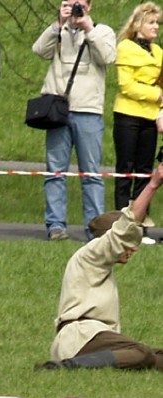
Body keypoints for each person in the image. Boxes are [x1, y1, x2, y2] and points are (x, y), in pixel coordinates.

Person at [36, 163, 163, 371]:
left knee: (155, 357)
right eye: (131, 242)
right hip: (80, 338)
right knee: (142, 354)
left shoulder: (98, 262)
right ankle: (63, 367)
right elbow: (124, 229)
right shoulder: (90, 254)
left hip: (96, 339)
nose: (134, 248)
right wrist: (153, 185)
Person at [33, 0, 116, 241]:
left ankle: (96, 228)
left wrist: (88, 28)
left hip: (88, 110)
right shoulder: (58, 32)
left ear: (89, 6)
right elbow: (39, 50)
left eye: (78, 4)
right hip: (58, 110)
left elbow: (108, 56)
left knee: (91, 173)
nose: (73, 9)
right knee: (55, 171)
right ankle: (56, 225)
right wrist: (57, 25)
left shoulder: (102, 30)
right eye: (68, 4)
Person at [113, 2, 163, 236]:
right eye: (151, 23)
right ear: (138, 25)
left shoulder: (160, 53)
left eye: (157, 23)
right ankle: (121, 225)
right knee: (126, 170)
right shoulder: (125, 48)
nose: (156, 27)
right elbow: (126, 86)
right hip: (128, 115)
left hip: (150, 118)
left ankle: (140, 226)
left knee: (145, 171)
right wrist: (156, 94)